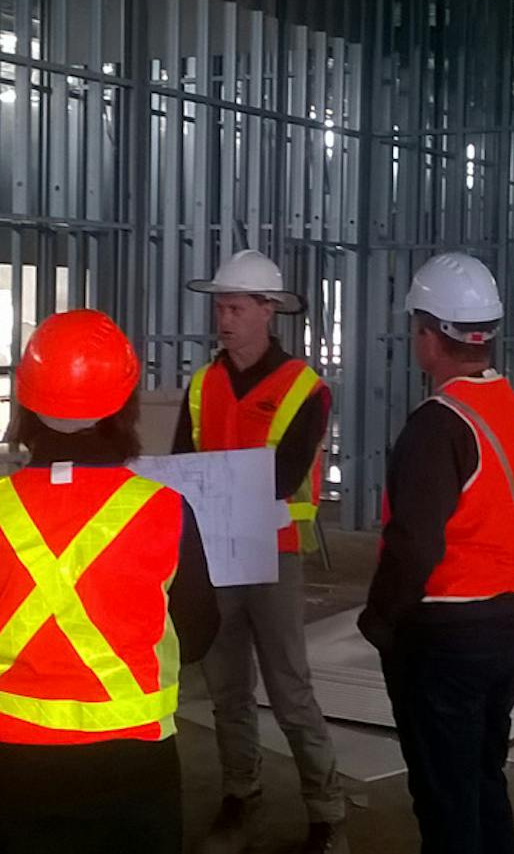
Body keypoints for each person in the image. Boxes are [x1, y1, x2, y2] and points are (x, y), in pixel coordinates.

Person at [0, 309, 219, 854]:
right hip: (130, 768)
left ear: (26, 407)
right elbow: (200, 634)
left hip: (6, 764)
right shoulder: (165, 511)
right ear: (124, 407)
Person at [359, 252, 514, 854]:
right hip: (511, 628)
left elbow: (413, 544)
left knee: (445, 802)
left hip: (444, 637)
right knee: (481, 779)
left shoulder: (437, 425)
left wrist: (381, 620)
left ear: (428, 334)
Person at [173, 250, 347, 854]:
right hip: (218, 558)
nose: (224, 319)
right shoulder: (202, 386)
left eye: (236, 308)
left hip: (275, 555)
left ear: (267, 311)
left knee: (291, 690)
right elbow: (179, 474)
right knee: (227, 693)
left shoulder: (305, 389)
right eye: (220, 307)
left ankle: (325, 811)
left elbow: (281, 475)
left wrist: (207, 487)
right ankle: (239, 797)